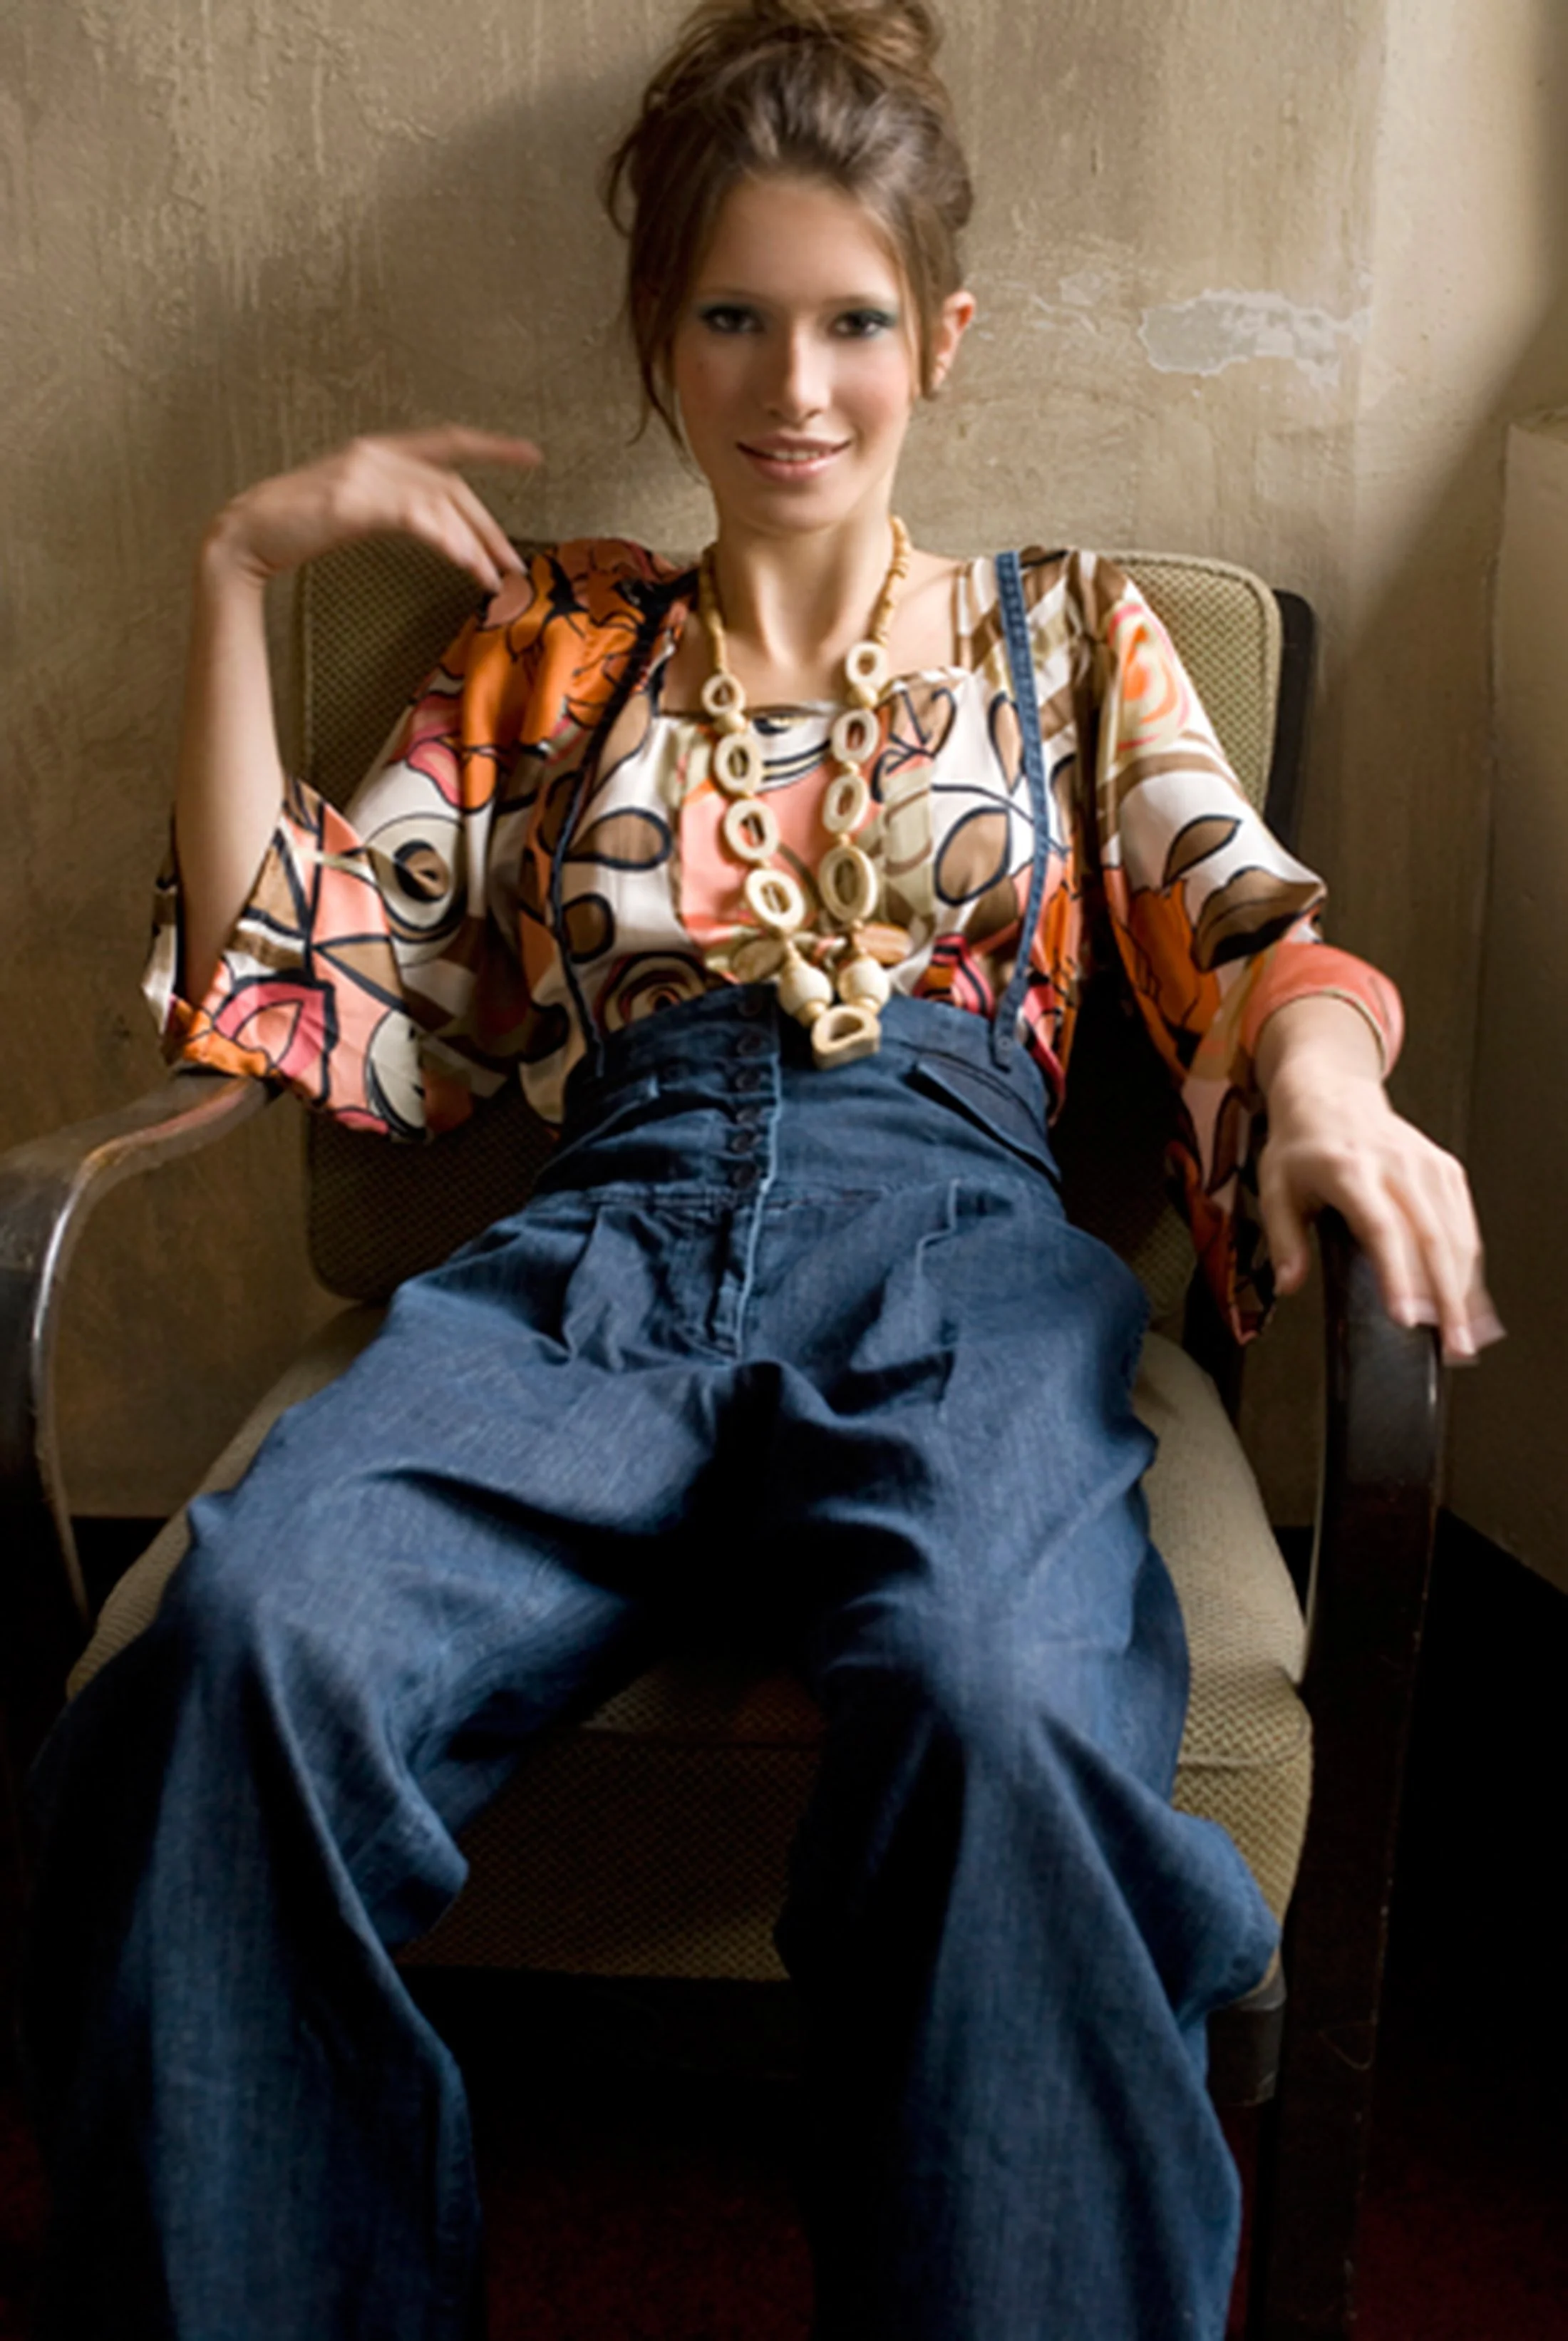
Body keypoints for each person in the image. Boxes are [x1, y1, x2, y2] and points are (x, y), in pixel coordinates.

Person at [21, 1, 1499, 2335]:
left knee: (1009, 1703)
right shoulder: (556, 645)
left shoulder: (1071, 634)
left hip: (956, 1252)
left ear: (941, 337)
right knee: (241, 1643)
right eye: (732, 315)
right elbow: (301, 981)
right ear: (664, 334)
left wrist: (1322, 1076)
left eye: (849, 321)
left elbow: (1240, 914)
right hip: (602, 1248)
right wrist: (230, 564)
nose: (792, 384)